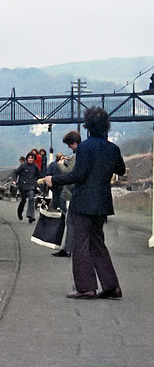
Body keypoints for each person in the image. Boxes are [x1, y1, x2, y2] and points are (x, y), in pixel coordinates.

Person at [45, 108, 125, 300]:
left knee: (81, 243)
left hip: (82, 203)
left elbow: (78, 175)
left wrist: (53, 180)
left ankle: (86, 288)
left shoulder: (84, 147)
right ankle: (112, 286)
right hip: (102, 202)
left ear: (88, 126)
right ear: (106, 126)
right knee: (98, 243)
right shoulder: (113, 149)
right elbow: (120, 170)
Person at [51, 130, 81, 258]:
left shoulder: (76, 155)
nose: (69, 147)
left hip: (74, 193)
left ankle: (68, 249)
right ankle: (70, 248)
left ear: (74, 143)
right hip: (80, 194)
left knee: (70, 221)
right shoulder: (82, 154)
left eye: (69, 145)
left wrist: (61, 165)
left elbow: (69, 173)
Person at [12, 152, 41, 223]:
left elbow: (38, 177)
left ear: (34, 159)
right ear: (27, 158)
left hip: (31, 185)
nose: (30, 159)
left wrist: (37, 186)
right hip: (22, 185)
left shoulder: (35, 167)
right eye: (29, 158)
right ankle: (20, 212)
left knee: (31, 199)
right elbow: (15, 172)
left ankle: (31, 216)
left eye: (32, 158)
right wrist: (14, 180)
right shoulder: (23, 166)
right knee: (23, 200)